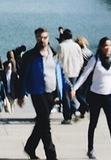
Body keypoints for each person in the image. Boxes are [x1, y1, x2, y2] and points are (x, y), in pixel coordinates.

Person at [71, 35, 111, 160]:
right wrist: (74, 88)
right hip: (95, 96)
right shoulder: (95, 59)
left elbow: (109, 77)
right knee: (93, 123)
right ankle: (90, 150)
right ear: (101, 47)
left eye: (109, 45)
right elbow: (84, 75)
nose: (108, 48)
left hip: (109, 96)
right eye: (105, 45)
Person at [18, 27, 64, 160]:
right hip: (37, 92)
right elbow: (24, 76)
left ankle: (30, 147)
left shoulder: (54, 53)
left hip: (51, 92)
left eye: (44, 37)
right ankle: (51, 155)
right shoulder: (30, 56)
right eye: (39, 37)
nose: (42, 40)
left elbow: (59, 73)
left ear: (48, 38)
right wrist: (21, 95)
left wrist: (67, 89)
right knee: (46, 123)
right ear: (36, 38)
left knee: (42, 122)